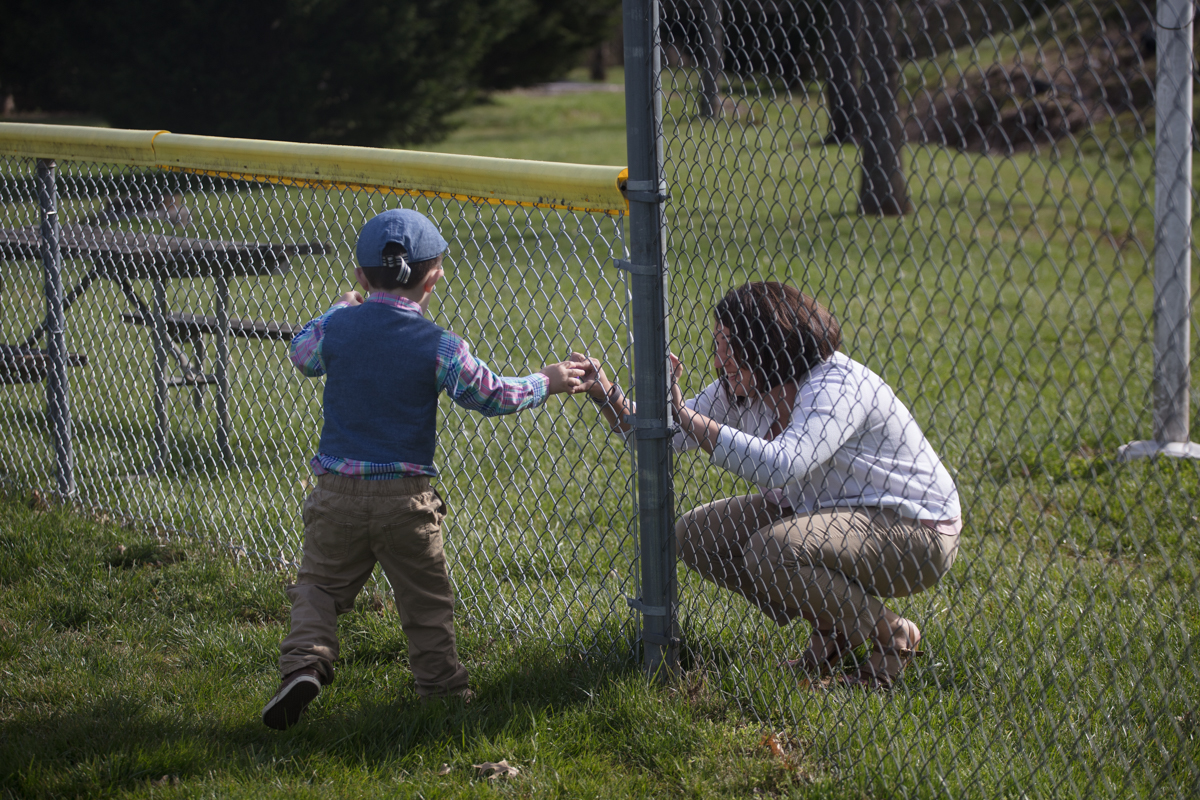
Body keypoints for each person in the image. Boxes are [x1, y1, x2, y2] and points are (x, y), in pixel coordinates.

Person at [261, 208, 591, 729]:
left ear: (360, 276)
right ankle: (442, 694)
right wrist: (545, 381)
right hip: (406, 500)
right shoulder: (440, 345)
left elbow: (303, 356)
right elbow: (490, 396)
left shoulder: (338, 327)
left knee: (318, 588)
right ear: (433, 279)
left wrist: (338, 308)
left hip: (336, 495)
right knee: (426, 603)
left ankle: (303, 665)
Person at [581, 281, 961, 689]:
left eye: (731, 346)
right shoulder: (743, 388)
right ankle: (835, 630)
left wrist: (687, 417)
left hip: (914, 531)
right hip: (829, 517)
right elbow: (663, 435)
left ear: (769, 343)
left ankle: (892, 635)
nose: (720, 361)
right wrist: (607, 395)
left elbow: (784, 465)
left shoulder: (836, 385)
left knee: (773, 550)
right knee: (695, 535)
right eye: (718, 345)